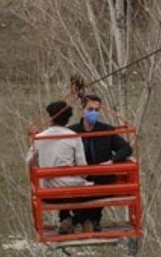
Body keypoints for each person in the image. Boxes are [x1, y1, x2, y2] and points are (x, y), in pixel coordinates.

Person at [68, 94, 133, 232]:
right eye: (90, 109)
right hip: (80, 178)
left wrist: (112, 161)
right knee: (75, 190)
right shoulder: (72, 131)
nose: (94, 113)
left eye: (97, 110)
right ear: (83, 110)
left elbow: (126, 148)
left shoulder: (106, 130)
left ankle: (81, 221)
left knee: (99, 187)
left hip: (101, 178)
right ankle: (88, 221)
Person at [26, 101, 92, 234]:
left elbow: (29, 161)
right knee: (93, 191)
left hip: (48, 191)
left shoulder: (39, 138)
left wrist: (42, 166)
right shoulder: (74, 137)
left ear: (50, 117)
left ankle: (67, 220)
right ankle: (76, 220)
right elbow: (83, 168)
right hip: (72, 191)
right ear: (68, 118)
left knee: (63, 187)